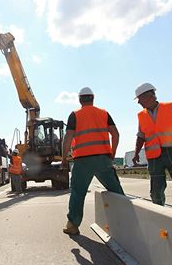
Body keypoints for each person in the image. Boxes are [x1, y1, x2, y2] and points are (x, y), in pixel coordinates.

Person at [62, 87, 124, 235]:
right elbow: (115, 134)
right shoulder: (104, 113)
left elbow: (68, 137)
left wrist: (64, 157)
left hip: (82, 161)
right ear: (93, 98)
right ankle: (127, 219)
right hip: (103, 159)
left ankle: (72, 225)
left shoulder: (75, 115)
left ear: (79, 100)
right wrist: (112, 152)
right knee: (116, 190)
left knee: (78, 192)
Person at [133, 83, 172, 214]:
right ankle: (159, 216)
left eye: (140, 98)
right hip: (154, 157)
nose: (138, 102)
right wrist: (136, 153)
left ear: (150, 96)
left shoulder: (169, 107)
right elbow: (141, 136)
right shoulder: (141, 115)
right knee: (156, 191)